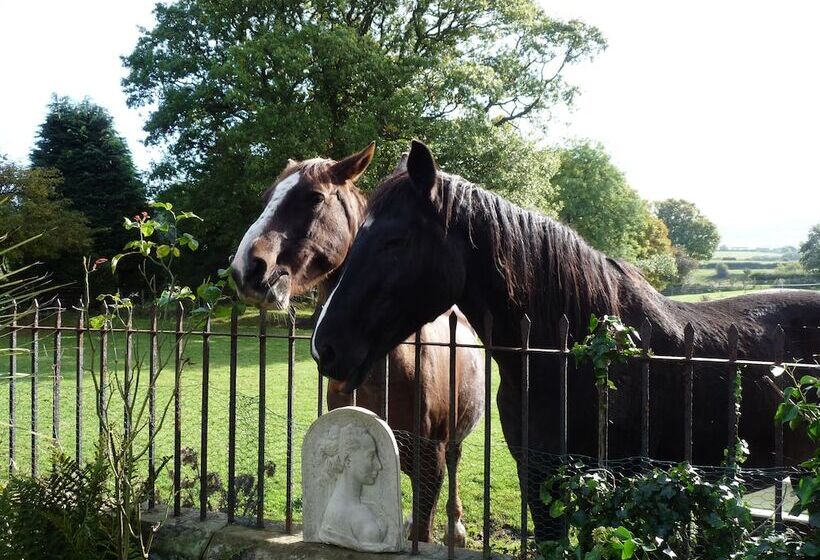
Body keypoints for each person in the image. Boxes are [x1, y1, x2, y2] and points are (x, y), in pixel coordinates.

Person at [317, 423, 391, 551]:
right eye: (371, 456)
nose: (379, 465)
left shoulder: (337, 507)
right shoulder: (362, 521)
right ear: (348, 461)